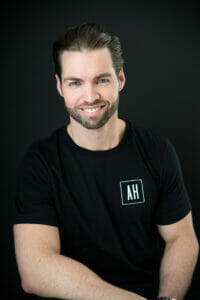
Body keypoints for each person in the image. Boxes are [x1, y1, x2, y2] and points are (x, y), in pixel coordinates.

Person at [13, 23, 199, 300]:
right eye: (75, 82)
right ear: (59, 86)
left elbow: (181, 239)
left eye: (101, 80)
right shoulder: (40, 162)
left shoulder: (157, 150)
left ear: (120, 79)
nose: (90, 96)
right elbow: (34, 268)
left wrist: (167, 298)